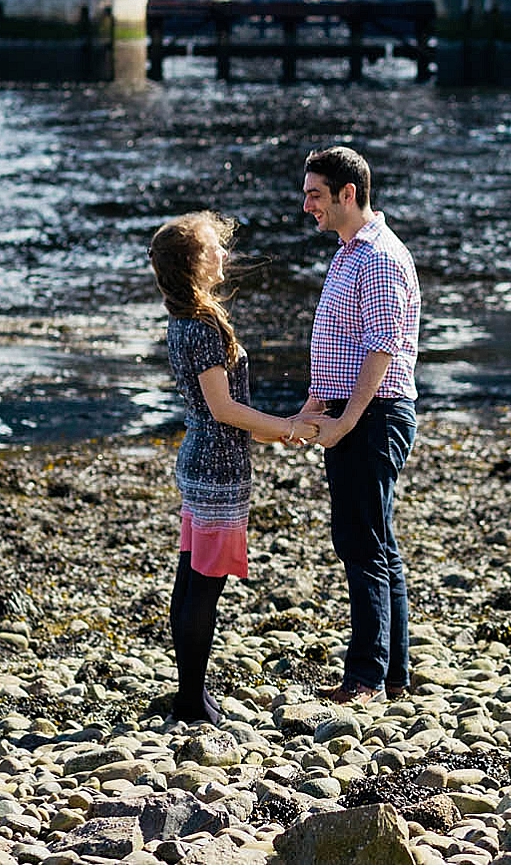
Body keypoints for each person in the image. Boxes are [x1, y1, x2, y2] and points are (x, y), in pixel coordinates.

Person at [149, 211, 320, 725]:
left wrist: (285, 425)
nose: (225, 254)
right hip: (217, 467)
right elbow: (224, 409)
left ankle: (191, 695)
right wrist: (288, 428)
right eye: (214, 247)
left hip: (204, 456)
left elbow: (224, 412)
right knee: (203, 584)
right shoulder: (200, 326)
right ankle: (191, 700)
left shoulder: (187, 319)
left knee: (192, 579)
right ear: (193, 264)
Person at [293, 146, 423, 703]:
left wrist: (346, 419)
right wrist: (313, 408)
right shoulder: (349, 252)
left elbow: (381, 349)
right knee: (374, 540)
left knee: (361, 542)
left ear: (349, 194)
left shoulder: (380, 257)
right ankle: (393, 674)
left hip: (374, 415)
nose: (306, 206)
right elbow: (340, 347)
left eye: (315, 194)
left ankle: (366, 677)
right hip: (353, 413)